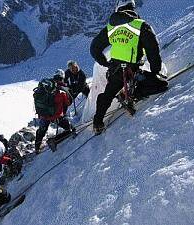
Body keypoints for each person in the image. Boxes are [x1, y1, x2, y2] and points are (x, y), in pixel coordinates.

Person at [90, 0, 168, 133]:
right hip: (132, 70)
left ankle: (97, 123)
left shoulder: (111, 27)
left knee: (108, 94)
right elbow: (152, 49)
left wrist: (105, 63)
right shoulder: (140, 25)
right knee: (161, 84)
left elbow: (94, 48)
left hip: (115, 69)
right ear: (132, 8)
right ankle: (133, 94)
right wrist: (155, 71)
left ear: (118, 9)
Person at [34, 78, 75, 153]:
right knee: (70, 130)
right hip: (56, 116)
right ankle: (54, 141)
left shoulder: (40, 92)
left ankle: (37, 147)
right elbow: (68, 103)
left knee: (41, 131)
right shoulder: (61, 93)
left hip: (43, 116)